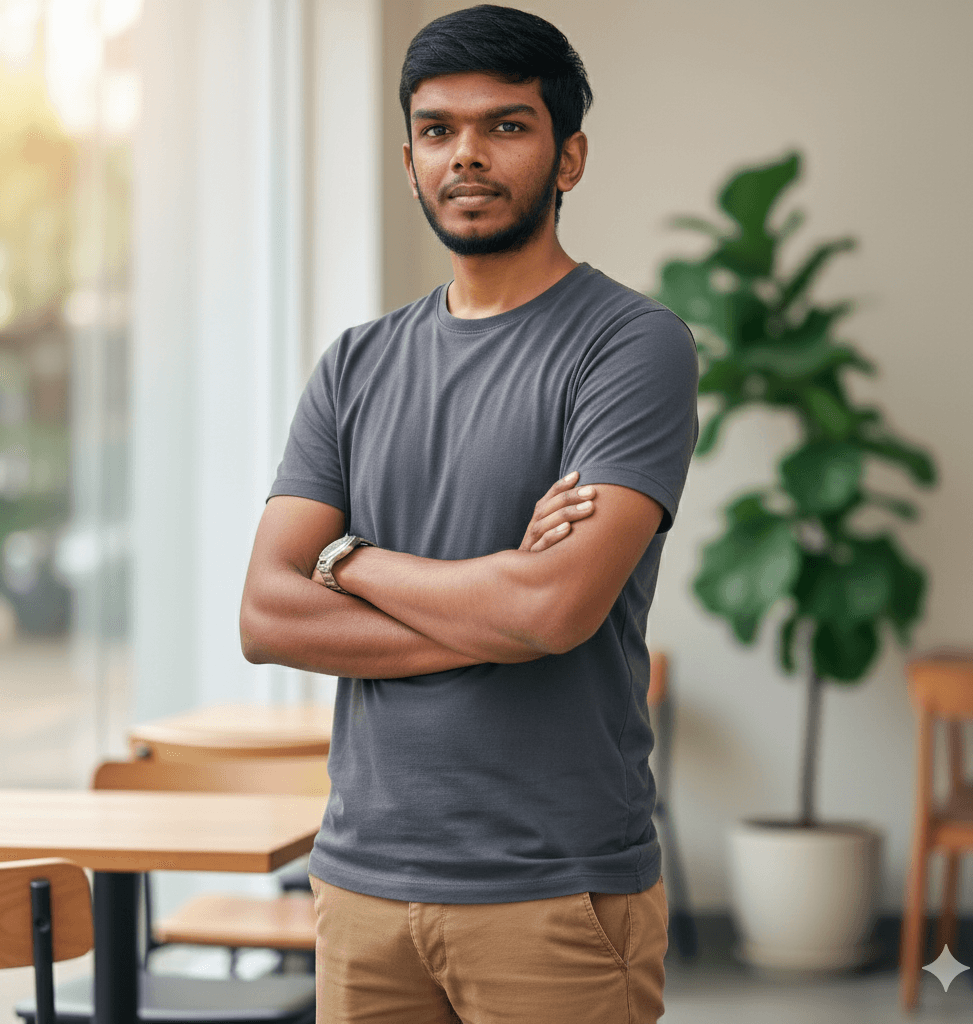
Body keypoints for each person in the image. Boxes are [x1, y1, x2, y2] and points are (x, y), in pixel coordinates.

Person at [240, 5, 699, 1022]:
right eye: (439, 130)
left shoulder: (631, 347)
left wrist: (347, 555)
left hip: (555, 888)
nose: (467, 156)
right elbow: (266, 616)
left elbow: (550, 612)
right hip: (359, 880)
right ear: (409, 162)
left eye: (505, 125)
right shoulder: (355, 364)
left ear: (568, 155)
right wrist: (489, 604)